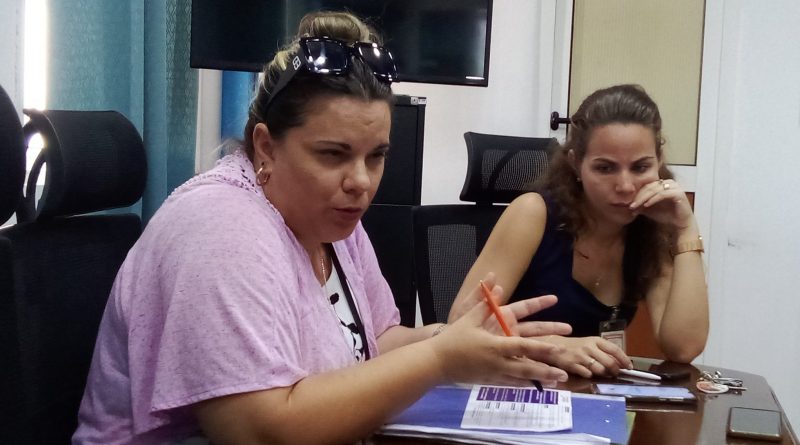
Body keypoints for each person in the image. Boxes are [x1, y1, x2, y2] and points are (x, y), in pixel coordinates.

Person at [72, 11, 571, 445]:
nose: (361, 182)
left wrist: (465, 338)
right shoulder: (220, 225)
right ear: (266, 147)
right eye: (333, 154)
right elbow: (257, 431)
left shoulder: (332, 220)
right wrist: (442, 359)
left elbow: (377, 340)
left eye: (376, 156)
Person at [448, 84, 709, 378]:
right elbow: (461, 328)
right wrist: (552, 346)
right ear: (576, 163)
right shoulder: (534, 213)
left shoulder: (651, 226)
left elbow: (684, 347)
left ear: (658, 161)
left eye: (640, 168)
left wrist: (686, 230)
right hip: (515, 387)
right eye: (605, 168)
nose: (625, 186)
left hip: (588, 393)